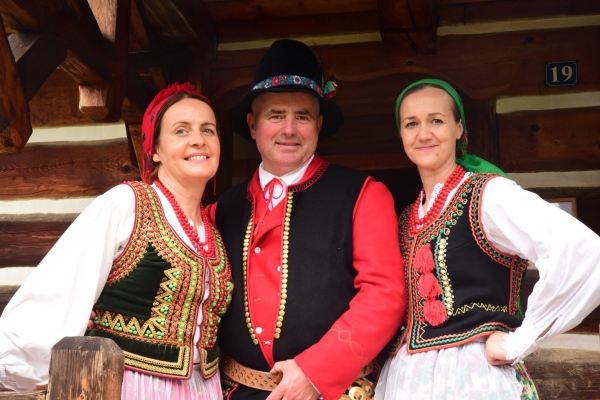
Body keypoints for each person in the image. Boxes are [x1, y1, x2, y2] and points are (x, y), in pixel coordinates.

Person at [0, 83, 233, 399]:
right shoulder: (127, 203)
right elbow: (60, 289)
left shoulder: (212, 231)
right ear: (154, 149)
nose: (198, 139)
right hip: (129, 386)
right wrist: (21, 366)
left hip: (202, 388)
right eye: (181, 130)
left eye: (208, 130)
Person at [375, 78, 600, 399]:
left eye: (436, 120)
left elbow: (586, 252)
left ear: (459, 129)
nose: (423, 134)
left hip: (473, 378)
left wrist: (521, 339)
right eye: (411, 123)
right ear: (401, 134)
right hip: (406, 380)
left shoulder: (488, 195)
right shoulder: (408, 216)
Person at [206, 39, 406, 400]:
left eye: (302, 116)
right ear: (252, 125)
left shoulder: (364, 194)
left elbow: (385, 295)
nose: (289, 129)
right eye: (275, 115)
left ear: (318, 124)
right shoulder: (220, 211)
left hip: (336, 393)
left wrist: (316, 373)